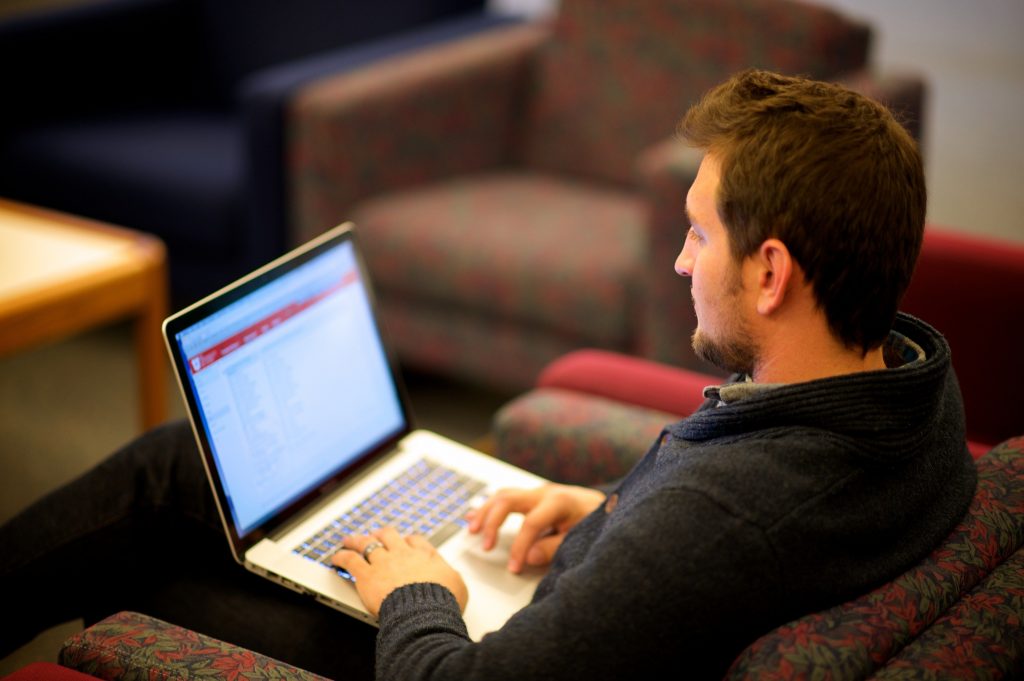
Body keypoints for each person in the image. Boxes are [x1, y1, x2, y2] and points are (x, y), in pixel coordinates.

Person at [1, 69, 976, 680]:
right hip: (583, 609)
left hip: (470, 649)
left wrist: (417, 592)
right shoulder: (910, 387)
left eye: (696, 233)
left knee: (147, 568)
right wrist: (603, 516)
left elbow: (701, 544)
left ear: (769, 272)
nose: (679, 263)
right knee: (184, 469)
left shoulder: (730, 516)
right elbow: (701, 555)